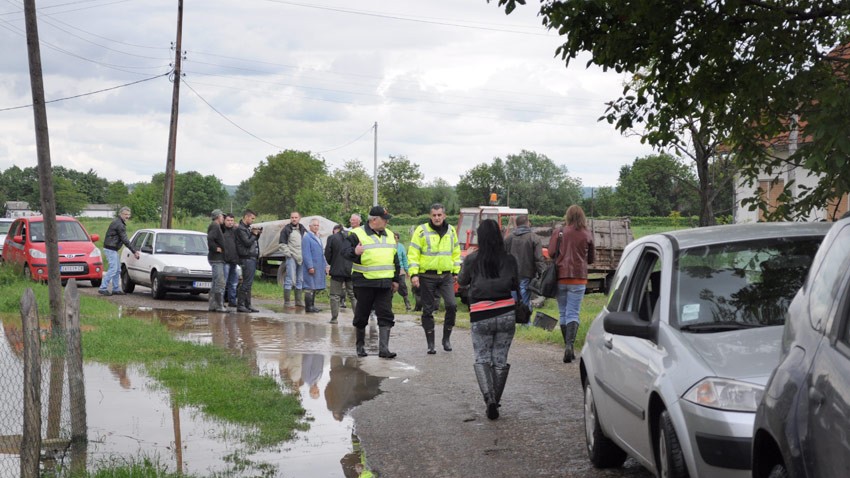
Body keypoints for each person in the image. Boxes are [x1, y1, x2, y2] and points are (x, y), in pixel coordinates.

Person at [458, 219, 519, 420]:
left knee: (482, 357)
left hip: (480, 313)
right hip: (506, 313)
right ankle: (495, 401)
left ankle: (489, 398)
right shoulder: (510, 259)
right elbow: (515, 284)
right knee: (500, 359)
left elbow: (462, 281)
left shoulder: (472, 259)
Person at [342, 205, 400, 359]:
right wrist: (355, 251)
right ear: (374, 220)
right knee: (362, 315)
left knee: (386, 315)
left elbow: (395, 259)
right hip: (364, 282)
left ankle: (384, 349)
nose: (387, 222)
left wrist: (396, 280)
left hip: (385, 283)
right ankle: (360, 346)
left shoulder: (390, 235)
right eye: (384, 219)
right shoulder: (356, 234)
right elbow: (344, 252)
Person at [408, 203, 461, 354]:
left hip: (446, 275)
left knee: (451, 305)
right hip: (427, 276)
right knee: (428, 309)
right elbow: (413, 253)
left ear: (444, 215)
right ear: (430, 216)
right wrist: (414, 274)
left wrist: (456, 271)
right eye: (434, 215)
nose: (437, 218)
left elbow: (456, 252)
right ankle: (431, 344)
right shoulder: (421, 230)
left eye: (439, 215)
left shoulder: (451, 230)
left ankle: (446, 339)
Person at [548, 205, 594, 363]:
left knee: (563, 313)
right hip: (579, 278)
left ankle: (567, 347)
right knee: (573, 313)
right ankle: (570, 346)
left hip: (561, 277)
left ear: (567, 216)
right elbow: (591, 259)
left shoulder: (559, 232)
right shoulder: (587, 233)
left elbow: (552, 253)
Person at [504, 214, 545, 317]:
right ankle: (525, 321)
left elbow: (503, 256)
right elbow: (539, 259)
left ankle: (512, 317)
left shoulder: (508, 238)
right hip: (527, 273)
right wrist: (543, 274)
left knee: (513, 296)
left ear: (517, 224)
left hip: (511, 275)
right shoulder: (534, 238)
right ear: (527, 223)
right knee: (524, 297)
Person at [99, 206, 139, 296]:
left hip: (113, 249)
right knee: (113, 269)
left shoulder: (119, 222)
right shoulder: (119, 224)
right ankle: (103, 287)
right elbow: (125, 239)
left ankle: (116, 289)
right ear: (120, 214)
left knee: (117, 270)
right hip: (110, 249)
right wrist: (134, 251)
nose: (127, 216)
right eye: (125, 214)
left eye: (129, 214)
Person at [325, 224, 356, 324]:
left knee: (335, 295)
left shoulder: (332, 238)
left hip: (336, 270)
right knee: (353, 295)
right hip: (350, 270)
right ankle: (357, 318)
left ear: (336, 230)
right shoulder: (353, 238)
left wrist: (331, 263)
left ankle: (334, 319)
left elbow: (327, 254)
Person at [235, 209, 262, 313]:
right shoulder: (241, 229)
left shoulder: (247, 228)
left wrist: (257, 234)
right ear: (246, 217)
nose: (253, 220)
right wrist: (254, 234)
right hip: (246, 258)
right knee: (246, 283)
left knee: (249, 283)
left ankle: (248, 304)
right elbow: (247, 242)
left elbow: (252, 240)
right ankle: (240, 305)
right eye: (252, 218)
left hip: (251, 257)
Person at [280, 211, 307, 308]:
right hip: (291, 257)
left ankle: (298, 301)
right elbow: (282, 244)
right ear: (290, 218)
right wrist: (289, 254)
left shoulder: (303, 229)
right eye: (292, 217)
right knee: (290, 279)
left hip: (301, 257)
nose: (294, 219)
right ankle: (287, 302)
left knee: (300, 279)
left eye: (296, 217)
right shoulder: (286, 229)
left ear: (299, 218)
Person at [302, 218, 328, 313]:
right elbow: (306, 253)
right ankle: (308, 307)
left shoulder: (318, 237)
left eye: (317, 225)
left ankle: (312, 306)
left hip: (318, 266)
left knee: (314, 287)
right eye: (314, 225)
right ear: (310, 226)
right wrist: (310, 266)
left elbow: (321, 253)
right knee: (309, 287)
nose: (316, 227)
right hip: (311, 267)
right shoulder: (307, 237)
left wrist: (325, 265)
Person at [207, 209, 228, 312]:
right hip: (216, 258)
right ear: (218, 217)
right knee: (219, 282)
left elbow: (223, 230)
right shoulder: (215, 226)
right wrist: (215, 248)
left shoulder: (217, 226)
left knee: (216, 282)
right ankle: (219, 306)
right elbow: (210, 239)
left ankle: (213, 305)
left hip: (217, 259)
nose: (224, 218)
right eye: (222, 217)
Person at [222, 214, 239, 308]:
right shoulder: (221, 230)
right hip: (225, 261)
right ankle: (221, 301)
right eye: (228, 220)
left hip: (234, 261)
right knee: (223, 282)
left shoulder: (235, 231)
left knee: (233, 283)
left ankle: (232, 301)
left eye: (232, 220)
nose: (230, 222)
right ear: (225, 220)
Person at [394, 232, 412, 311]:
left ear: (398, 238)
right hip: (391, 269)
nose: (394, 239)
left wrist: (407, 270)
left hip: (400, 269)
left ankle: (407, 303)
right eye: (393, 237)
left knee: (402, 285)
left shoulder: (401, 247)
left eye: (395, 237)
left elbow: (404, 259)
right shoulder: (388, 246)